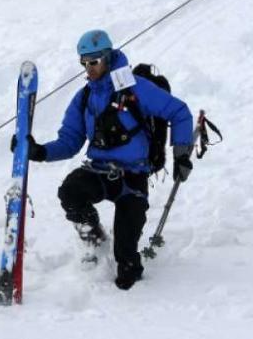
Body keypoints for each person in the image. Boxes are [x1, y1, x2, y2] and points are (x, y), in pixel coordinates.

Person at [17, 29, 195, 290]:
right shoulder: (84, 97)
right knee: (71, 191)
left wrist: (181, 153)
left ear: (109, 58)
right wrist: (40, 152)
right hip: (99, 172)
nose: (89, 69)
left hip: (133, 177)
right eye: (84, 63)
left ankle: (130, 298)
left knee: (127, 270)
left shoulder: (136, 88)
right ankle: (95, 239)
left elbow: (179, 112)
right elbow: (70, 141)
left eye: (94, 62)